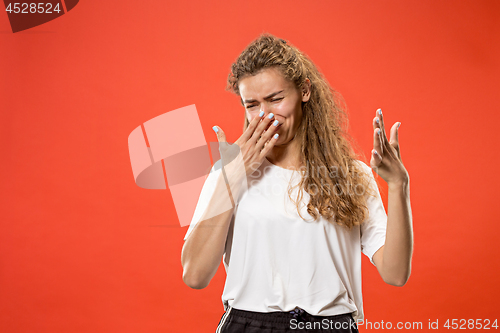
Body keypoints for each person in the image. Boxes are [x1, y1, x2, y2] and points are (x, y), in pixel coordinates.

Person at [181, 33, 413, 333]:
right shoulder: (228, 172)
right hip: (248, 323)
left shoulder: (352, 175)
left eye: (276, 99)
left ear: (304, 91)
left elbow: (395, 273)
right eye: (251, 104)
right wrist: (233, 176)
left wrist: (398, 185)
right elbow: (195, 276)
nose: (265, 116)